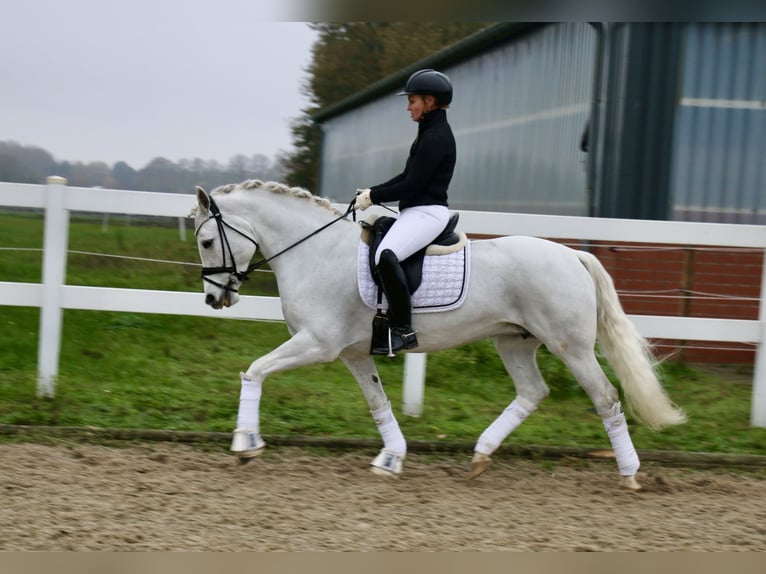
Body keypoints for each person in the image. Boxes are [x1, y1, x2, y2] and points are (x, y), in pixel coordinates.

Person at [353, 68, 456, 355]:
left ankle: (402, 329)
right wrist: (371, 192)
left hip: (428, 213)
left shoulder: (436, 137)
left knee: (386, 256)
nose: (407, 106)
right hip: (416, 211)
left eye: (412, 101)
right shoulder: (428, 132)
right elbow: (405, 176)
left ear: (430, 102)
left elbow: (412, 185)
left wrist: (374, 196)